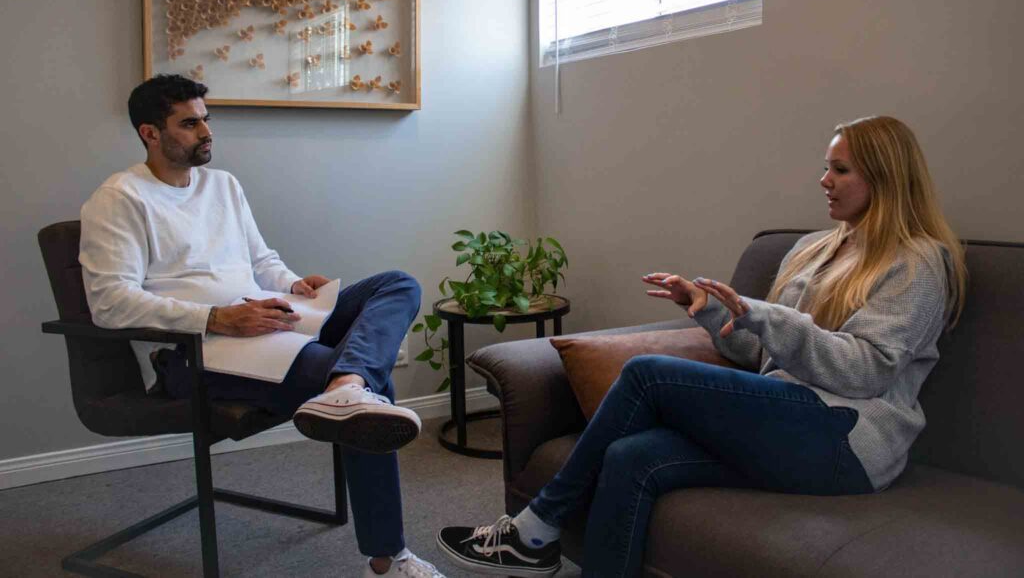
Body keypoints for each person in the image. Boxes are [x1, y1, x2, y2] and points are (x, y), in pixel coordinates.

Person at [436, 115, 968, 578]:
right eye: (827, 166)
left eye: (840, 169)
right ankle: (547, 547)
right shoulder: (811, 250)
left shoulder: (917, 263)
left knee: (647, 373)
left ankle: (532, 532)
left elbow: (868, 372)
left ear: (885, 175)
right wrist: (712, 311)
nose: (824, 180)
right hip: (788, 419)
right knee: (631, 456)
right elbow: (762, 360)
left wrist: (763, 313)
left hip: (847, 441)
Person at [80, 74, 445, 578]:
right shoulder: (119, 199)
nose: (205, 131)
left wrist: (294, 286)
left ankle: (347, 384)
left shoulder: (223, 185)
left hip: (267, 320)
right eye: (189, 123)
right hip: (199, 351)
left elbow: (261, 260)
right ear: (149, 133)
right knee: (365, 388)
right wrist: (216, 317)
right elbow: (109, 303)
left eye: (206, 119)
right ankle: (387, 557)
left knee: (396, 284)